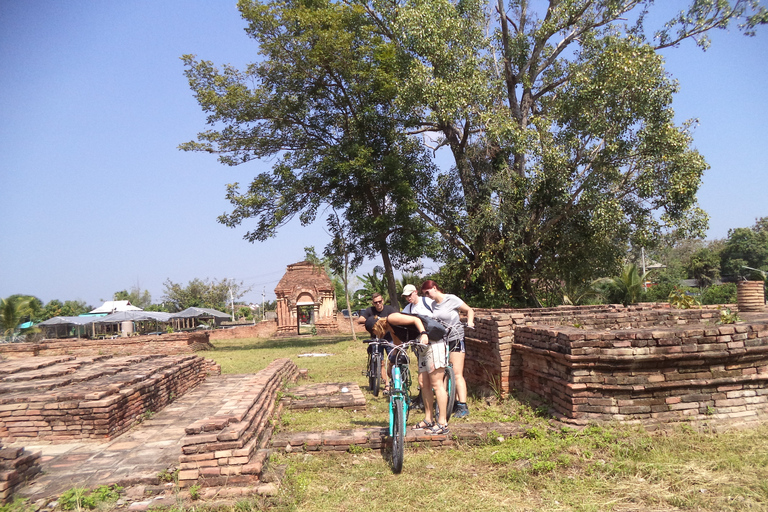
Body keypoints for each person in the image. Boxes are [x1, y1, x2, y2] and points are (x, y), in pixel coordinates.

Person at [421, 279, 475, 418]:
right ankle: (444, 404)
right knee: (443, 373)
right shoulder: (433, 304)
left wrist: (469, 321)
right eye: (425, 294)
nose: (428, 296)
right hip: (442, 339)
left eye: (428, 292)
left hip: (456, 337)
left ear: (434, 287)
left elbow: (469, 310)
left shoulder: (451, 299)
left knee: (457, 373)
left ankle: (462, 405)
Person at [401, 284, 435, 411]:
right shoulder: (408, 308)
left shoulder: (427, 302)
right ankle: (422, 398)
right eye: (406, 297)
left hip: (434, 340)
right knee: (423, 374)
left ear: (415, 292)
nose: (408, 298)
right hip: (420, 345)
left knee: (434, 374)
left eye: (410, 295)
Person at [358, 293, 398, 392]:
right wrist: (370, 320)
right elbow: (360, 320)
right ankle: (387, 385)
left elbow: (396, 318)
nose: (378, 304)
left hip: (388, 338)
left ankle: (394, 380)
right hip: (376, 339)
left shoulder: (389, 310)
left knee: (393, 359)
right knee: (381, 362)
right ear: (373, 303)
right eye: (376, 302)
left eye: (380, 301)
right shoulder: (370, 310)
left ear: (383, 301)